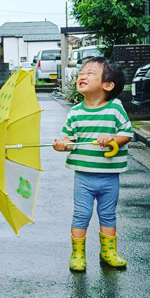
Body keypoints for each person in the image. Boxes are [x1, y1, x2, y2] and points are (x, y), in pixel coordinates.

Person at [52, 57, 134, 272]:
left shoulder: (115, 108)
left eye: (90, 73)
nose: (82, 75)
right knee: (81, 214)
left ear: (107, 85)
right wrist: (63, 145)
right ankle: (78, 254)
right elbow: (69, 140)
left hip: (109, 177)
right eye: (81, 72)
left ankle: (108, 251)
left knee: (108, 214)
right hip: (84, 177)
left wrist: (112, 139)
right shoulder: (75, 112)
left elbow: (126, 134)